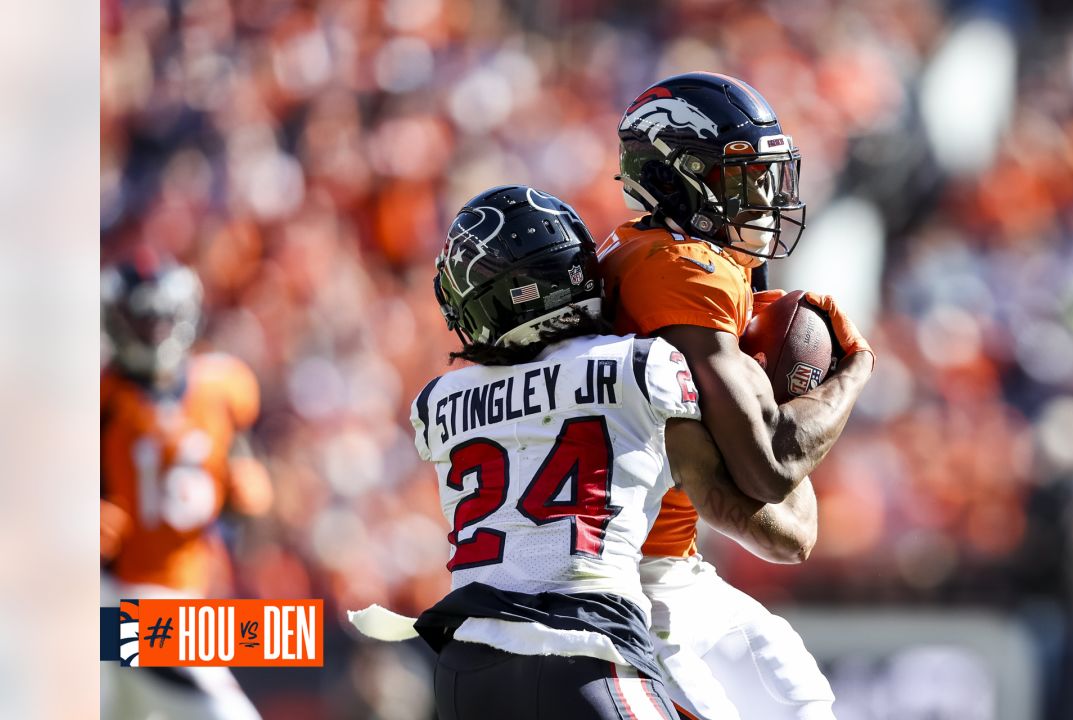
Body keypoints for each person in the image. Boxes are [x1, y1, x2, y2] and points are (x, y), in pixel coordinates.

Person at [349, 185, 818, 720]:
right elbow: (758, 517)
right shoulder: (643, 367)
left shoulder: (437, 403)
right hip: (584, 654)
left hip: (466, 672)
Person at [600, 71, 877, 720]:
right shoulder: (684, 269)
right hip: (632, 572)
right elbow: (770, 470)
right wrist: (853, 374)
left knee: (802, 698)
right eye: (744, 179)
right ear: (677, 176)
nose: (764, 200)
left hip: (664, 557)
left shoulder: (638, 252)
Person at [100, 249, 271, 720]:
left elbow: (244, 493)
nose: (151, 331)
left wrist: (242, 493)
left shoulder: (221, 387)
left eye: (159, 319)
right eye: (140, 320)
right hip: (120, 602)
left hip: (185, 597)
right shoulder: (101, 398)